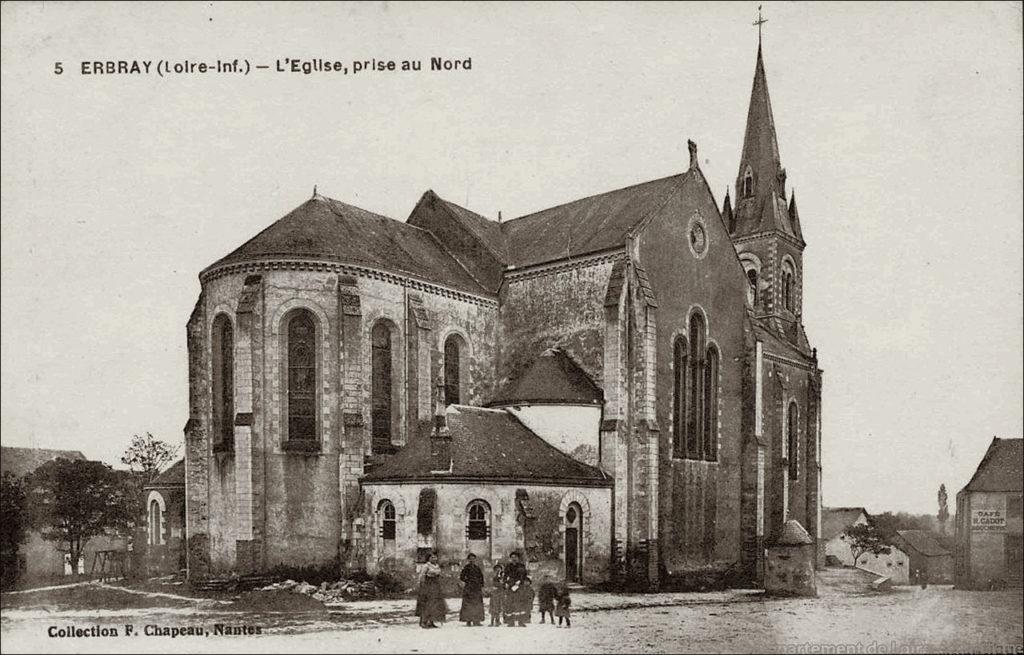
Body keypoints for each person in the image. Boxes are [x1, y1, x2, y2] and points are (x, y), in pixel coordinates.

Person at [415, 552, 447, 629]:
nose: (434, 559)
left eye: (435, 557)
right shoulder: (426, 566)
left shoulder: (437, 566)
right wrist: (422, 586)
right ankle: (423, 622)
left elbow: (439, 575)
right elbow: (421, 576)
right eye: (432, 557)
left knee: (435, 604)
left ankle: (431, 621)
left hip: (436, 586)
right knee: (427, 604)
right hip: (428, 586)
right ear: (428, 558)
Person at [502, 551, 529, 627]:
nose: (514, 559)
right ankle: (511, 622)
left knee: (520, 604)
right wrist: (506, 583)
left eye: (515, 557)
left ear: (518, 558)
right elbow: (505, 576)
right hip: (511, 587)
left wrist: (521, 582)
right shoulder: (508, 566)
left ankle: (521, 621)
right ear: (510, 558)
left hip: (520, 587)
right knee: (510, 604)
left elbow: (525, 576)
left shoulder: (522, 566)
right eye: (512, 557)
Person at [458, 553, 485, 626]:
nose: (472, 560)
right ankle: (468, 620)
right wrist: (468, 581)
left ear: (475, 559)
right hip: (469, 588)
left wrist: (481, 585)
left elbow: (481, 577)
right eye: (470, 558)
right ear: (468, 559)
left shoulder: (477, 568)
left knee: (477, 604)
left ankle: (477, 620)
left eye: (473, 558)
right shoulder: (466, 568)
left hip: (477, 588)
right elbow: (462, 577)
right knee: (468, 604)